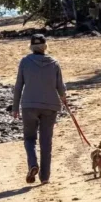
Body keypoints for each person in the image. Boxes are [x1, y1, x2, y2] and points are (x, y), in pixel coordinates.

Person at [12, 34, 67, 185]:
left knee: (29, 138)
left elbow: (18, 86)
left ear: (31, 47)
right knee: (46, 141)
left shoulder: (25, 62)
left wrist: (15, 107)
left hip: (29, 105)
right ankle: (45, 177)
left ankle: (32, 164)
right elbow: (60, 87)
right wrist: (64, 98)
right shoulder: (54, 63)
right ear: (45, 47)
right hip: (50, 106)